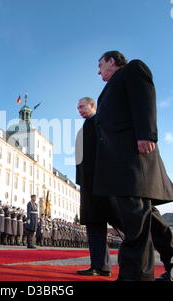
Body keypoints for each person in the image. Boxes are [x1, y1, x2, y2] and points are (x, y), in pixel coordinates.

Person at [93, 51, 173, 281]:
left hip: (132, 155)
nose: (98, 71)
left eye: (100, 65)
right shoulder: (108, 89)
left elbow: (144, 98)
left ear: (111, 60)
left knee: (134, 217)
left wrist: (146, 134)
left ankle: (135, 275)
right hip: (120, 159)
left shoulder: (132, 69)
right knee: (149, 217)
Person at [75, 97, 115, 277]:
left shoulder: (102, 122)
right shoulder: (85, 127)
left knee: (119, 221)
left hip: (102, 181)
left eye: (82, 106)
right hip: (88, 183)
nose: (79, 110)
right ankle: (100, 266)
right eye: (78, 108)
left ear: (93, 106)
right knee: (94, 224)